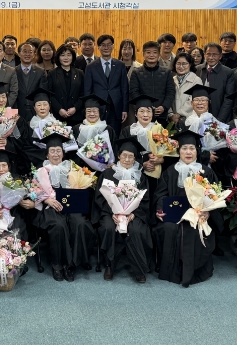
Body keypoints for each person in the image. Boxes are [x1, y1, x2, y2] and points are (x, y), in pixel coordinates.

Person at [154, 130, 223, 287]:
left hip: (198, 215)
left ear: (197, 151)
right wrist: (159, 210)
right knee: (169, 228)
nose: (188, 152)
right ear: (179, 151)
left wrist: (208, 211)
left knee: (193, 228)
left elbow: (215, 196)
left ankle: (194, 271)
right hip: (174, 216)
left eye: (192, 148)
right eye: (184, 148)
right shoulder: (170, 171)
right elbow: (160, 195)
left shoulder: (205, 171)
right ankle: (170, 271)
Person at [36, 134, 95, 281]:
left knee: (80, 223)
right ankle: (57, 265)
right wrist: (47, 200)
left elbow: (83, 185)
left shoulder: (72, 167)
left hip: (71, 206)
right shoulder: (41, 171)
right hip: (51, 207)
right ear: (47, 154)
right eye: (52, 151)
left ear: (63, 153)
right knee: (59, 226)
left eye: (58, 151)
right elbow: (33, 191)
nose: (56, 154)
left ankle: (72, 264)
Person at [94, 137, 154, 283]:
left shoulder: (140, 177)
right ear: (119, 155)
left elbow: (145, 199)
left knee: (136, 229)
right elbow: (100, 198)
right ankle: (109, 265)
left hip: (134, 214)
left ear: (135, 158)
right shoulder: (108, 174)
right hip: (110, 213)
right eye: (124, 155)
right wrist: (112, 213)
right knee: (108, 227)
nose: (127, 159)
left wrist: (134, 214)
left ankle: (138, 268)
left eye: (131, 156)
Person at [84, 34, 128, 135]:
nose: (106, 47)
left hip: (116, 108)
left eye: (109, 45)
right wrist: (88, 109)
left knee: (114, 135)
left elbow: (124, 88)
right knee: (98, 136)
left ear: (113, 46)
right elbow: (87, 90)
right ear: (98, 47)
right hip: (97, 108)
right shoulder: (91, 67)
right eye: (103, 45)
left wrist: (124, 109)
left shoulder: (120, 65)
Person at [129, 41, 175, 126]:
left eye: (154, 52)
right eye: (148, 52)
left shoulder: (167, 72)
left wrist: (163, 107)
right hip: (143, 115)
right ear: (143, 54)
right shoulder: (136, 72)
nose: (151, 55)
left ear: (159, 54)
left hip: (161, 115)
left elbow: (170, 92)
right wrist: (147, 107)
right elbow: (134, 92)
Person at [119, 95, 164, 177]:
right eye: (142, 111)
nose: (145, 115)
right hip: (132, 171)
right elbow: (122, 153)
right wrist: (141, 164)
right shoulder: (128, 131)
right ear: (136, 114)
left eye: (149, 111)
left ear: (152, 113)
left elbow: (168, 152)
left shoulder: (159, 129)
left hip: (155, 170)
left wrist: (161, 159)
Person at [47, 44, 85, 126]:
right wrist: (59, 109)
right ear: (58, 57)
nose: (66, 58)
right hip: (57, 117)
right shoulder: (52, 73)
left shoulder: (80, 73)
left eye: (69, 55)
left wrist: (75, 108)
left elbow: (83, 94)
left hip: (76, 116)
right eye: (62, 55)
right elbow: (50, 94)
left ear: (73, 57)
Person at [199, 42, 236, 122]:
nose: (211, 57)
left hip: (219, 115)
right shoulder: (198, 69)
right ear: (204, 55)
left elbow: (229, 98)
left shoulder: (228, 72)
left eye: (214, 55)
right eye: (208, 54)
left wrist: (220, 119)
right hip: (199, 115)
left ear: (220, 56)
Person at [15, 41, 48, 123]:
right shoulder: (13, 71)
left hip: (35, 112)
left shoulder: (41, 72)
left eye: (30, 52)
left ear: (34, 54)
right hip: (17, 111)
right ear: (19, 54)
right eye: (24, 51)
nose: (27, 54)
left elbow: (42, 93)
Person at [169, 52, 203, 124]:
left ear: (190, 65)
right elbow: (167, 97)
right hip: (172, 120)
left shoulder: (196, 80)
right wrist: (171, 114)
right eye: (178, 63)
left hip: (189, 120)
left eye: (184, 64)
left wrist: (179, 114)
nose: (181, 66)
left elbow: (194, 100)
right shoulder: (172, 79)